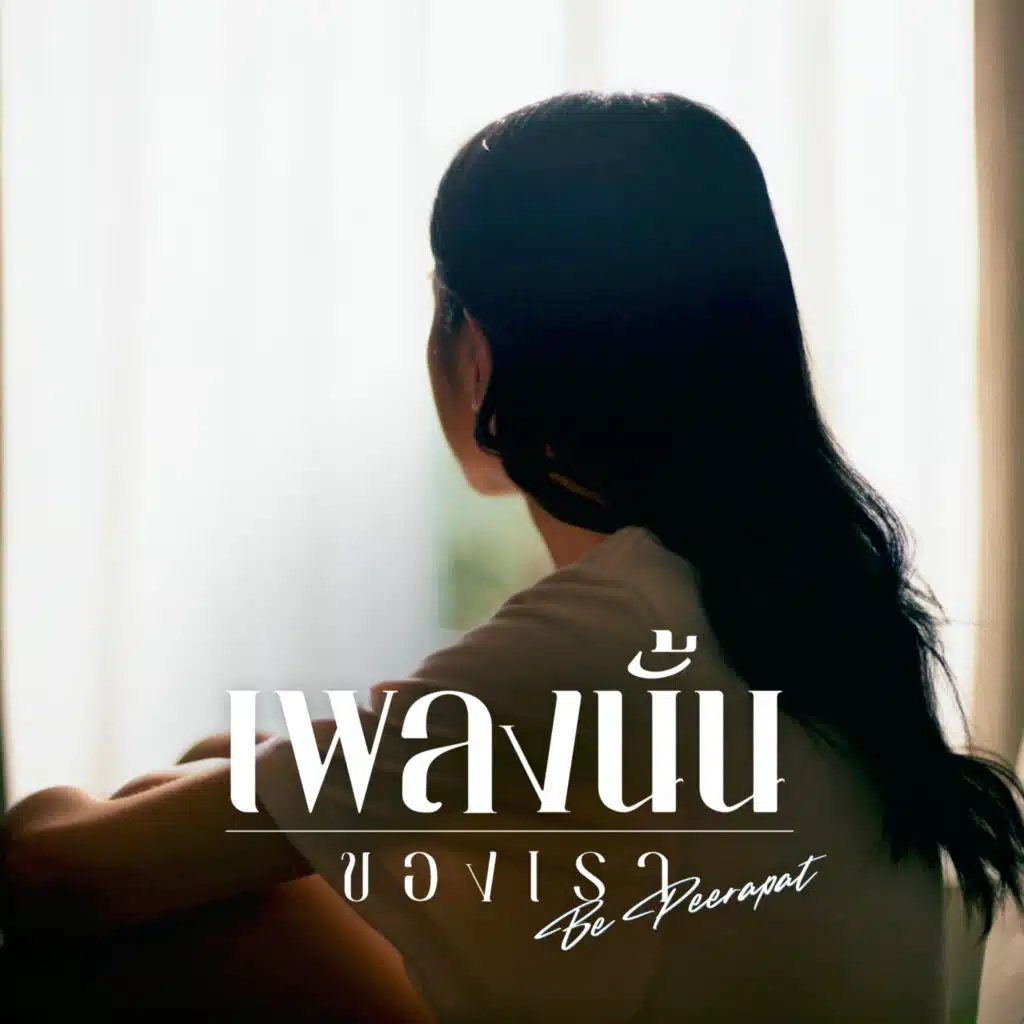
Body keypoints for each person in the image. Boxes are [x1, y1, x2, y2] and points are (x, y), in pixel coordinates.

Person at [2, 91, 1023, 1022]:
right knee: (224, 804)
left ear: (478, 351)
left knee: (150, 908)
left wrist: (54, 807)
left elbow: (48, 876)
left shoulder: (610, 631)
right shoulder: (804, 603)